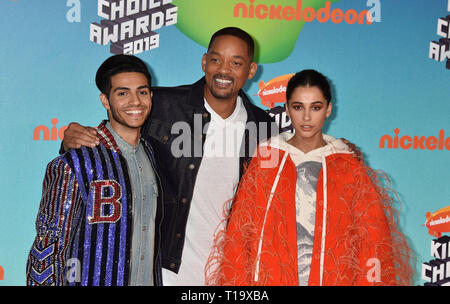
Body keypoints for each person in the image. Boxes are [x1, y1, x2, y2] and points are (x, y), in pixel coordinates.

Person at [60, 27, 277, 286]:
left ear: (251, 70)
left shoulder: (263, 125)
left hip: (229, 273)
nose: (223, 70)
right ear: (204, 62)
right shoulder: (162, 104)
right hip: (165, 271)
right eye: (216, 59)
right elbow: (115, 140)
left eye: (236, 62)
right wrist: (72, 141)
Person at [205, 70, 414, 286]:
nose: (306, 117)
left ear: (328, 109)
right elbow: (239, 242)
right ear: (286, 109)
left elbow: (373, 243)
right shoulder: (266, 160)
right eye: (298, 107)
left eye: (316, 107)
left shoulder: (347, 165)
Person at [26, 55, 162, 286]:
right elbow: (48, 247)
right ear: (105, 100)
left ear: (151, 96)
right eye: (122, 93)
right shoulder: (76, 163)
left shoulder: (154, 154)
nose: (135, 101)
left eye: (142, 91)